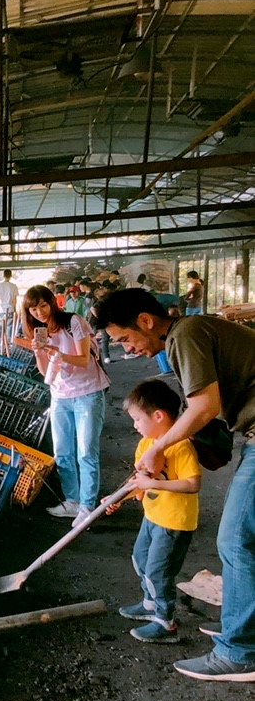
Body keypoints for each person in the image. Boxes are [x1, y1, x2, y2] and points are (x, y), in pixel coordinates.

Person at [98, 288, 255, 681]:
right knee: (245, 539)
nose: (128, 348)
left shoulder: (186, 334)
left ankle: (240, 651)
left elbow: (205, 406)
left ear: (146, 321)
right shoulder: (186, 335)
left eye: (126, 338)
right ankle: (244, 627)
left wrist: (160, 447)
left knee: (236, 540)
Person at [106, 379, 201, 644]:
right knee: (141, 559)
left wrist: (153, 484)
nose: (134, 425)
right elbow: (138, 480)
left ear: (158, 416)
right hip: (153, 517)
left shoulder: (180, 445)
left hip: (174, 523)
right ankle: (149, 604)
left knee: (159, 571)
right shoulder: (146, 444)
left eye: (137, 419)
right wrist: (118, 499)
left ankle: (165, 622)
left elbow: (193, 483)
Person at [20, 285, 110, 528]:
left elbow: (82, 359)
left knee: (86, 453)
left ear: (52, 302)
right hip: (59, 396)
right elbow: (43, 371)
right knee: (62, 452)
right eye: (33, 308)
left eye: (43, 305)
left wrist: (59, 353)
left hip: (88, 393)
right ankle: (72, 500)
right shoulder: (38, 331)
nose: (39, 312)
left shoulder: (74, 321)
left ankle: (87, 507)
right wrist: (40, 352)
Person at [0, 269, 19, 353]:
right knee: (8, 331)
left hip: (0, 310)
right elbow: (14, 300)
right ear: (10, 276)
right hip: (10, 310)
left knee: (0, 330)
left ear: (3, 275)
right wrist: (15, 310)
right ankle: (7, 350)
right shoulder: (13, 286)